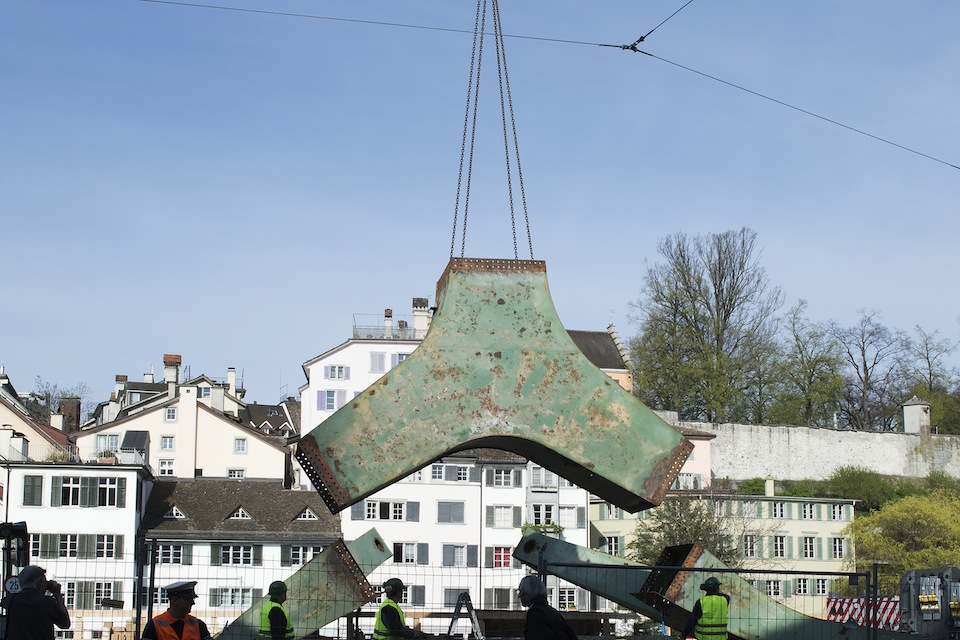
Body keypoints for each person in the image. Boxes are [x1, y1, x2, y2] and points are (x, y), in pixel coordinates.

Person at [2, 565, 70, 640]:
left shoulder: (11, 600)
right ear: (39, 582)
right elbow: (65, 623)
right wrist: (57, 594)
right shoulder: (47, 602)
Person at [141, 581, 214, 640]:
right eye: (188, 599)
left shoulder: (199, 625)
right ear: (175, 600)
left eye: (192, 599)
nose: (193, 603)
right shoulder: (154, 626)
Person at [517, 575, 578, 640]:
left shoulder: (536, 615)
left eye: (520, 592)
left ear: (528, 593)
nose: (519, 596)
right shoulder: (551, 612)